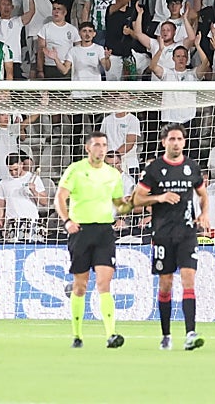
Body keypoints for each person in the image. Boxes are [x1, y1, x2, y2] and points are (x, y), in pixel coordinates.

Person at [131, 123, 209, 351]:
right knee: (166, 284)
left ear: (184, 142)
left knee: (188, 279)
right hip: (163, 234)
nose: (176, 143)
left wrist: (204, 214)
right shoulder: (154, 169)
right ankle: (166, 335)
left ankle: (190, 333)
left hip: (186, 233)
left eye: (179, 139)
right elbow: (136, 200)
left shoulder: (192, 167)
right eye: (172, 139)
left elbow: (203, 194)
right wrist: (160, 197)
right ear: (164, 142)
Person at [55, 130, 131, 349]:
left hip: (104, 232)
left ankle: (111, 334)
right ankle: (77, 335)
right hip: (81, 231)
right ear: (88, 148)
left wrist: (134, 202)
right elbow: (60, 197)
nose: (101, 148)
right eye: (96, 144)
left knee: (104, 283)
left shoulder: (113, 174)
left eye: (104, 145)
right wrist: (67, 221)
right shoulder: (76, 170)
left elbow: (119, 204)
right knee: (80, 285)